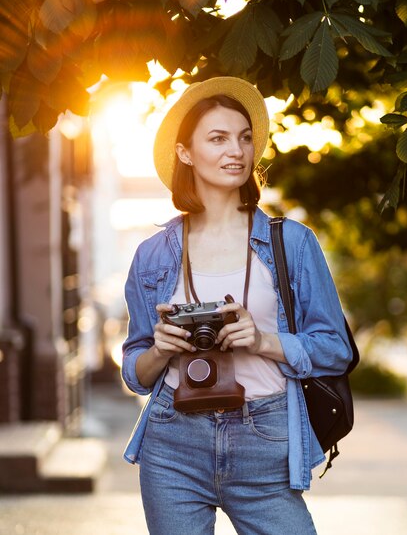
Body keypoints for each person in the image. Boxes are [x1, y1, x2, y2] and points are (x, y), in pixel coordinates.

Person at [121, 76, 353, 535]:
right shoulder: (152, 254)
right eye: (219, 138)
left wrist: (264, 340)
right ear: (186, 152)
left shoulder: (292, 243)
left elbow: (336, 348)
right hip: (174, 441)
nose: (237, 151)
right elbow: (136, 371)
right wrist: (162, 349)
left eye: (245, 138)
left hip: (264, 436)